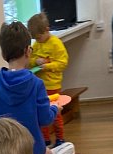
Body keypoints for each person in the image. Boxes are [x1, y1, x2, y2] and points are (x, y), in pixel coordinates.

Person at [0, 21, 59, 154]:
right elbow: (45, 118)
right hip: (33, 153)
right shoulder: (36, 84)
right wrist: (55, 109)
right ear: (28, 51)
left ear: (3, 53)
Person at [27, 11, 69, 145]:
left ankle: (60, 138)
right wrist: (35, 61)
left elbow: (62, 63)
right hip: (40, 85)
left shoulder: (56, 44)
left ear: (47, 30)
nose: (38, 40)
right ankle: (45, 140)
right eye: (35, 38)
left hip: (53, 85)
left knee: (55, 112)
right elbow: (30, 60)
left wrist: (47, 66)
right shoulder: (36, 45)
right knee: (41, 113)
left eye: (39, 37)